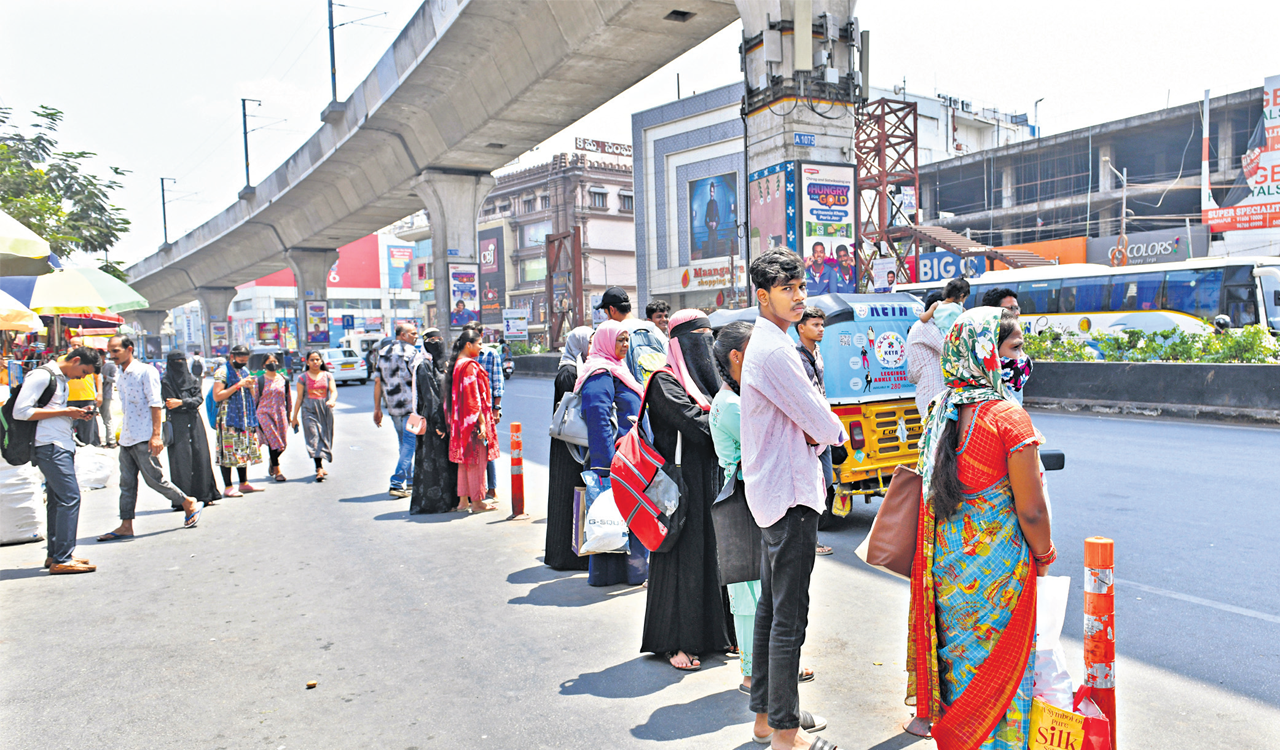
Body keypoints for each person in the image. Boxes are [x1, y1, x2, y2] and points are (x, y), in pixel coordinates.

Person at [907, 307, 1052, 747]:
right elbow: (1031, 511)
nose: (1022, 356)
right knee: (1002, 679)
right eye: (1015, 347)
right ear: (987, 351)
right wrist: (1045, 555)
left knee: (962, 675)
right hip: (1000, 582)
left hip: (949, 579)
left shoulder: (940, 414)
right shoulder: (1008, 418)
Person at [741, 250, 846, 750]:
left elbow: (811, 424)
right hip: (790, 496)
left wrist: (815, 431)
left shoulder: (769, 343)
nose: (800, 296)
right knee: (789, 617)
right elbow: (825, 423)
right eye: (788, 289)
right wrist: (825, 432)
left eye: (801, 286)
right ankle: (786, 732)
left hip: (773, 493)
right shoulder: (777, 351)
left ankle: (768, 718)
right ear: (764, 296)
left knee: (771, 612)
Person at [640, 309, 732, 672]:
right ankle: (676, 641)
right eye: (700, 338)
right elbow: (700, 428)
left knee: (714, 557)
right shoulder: (664, 382)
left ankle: (715, 635)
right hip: (679, 491)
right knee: (683, 561)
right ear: (682, 344)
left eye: (711, 338)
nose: (706, 346)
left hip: (709, 483)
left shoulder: (713, 386)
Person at [96, 336, 201, 541]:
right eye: (110, 351)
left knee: (155, 480)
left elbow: (155, 403)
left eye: (116, 351)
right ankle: (126, 525)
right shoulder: (120, 374)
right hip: (127, 436)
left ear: (129, 349)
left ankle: (187, 502)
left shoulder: (146, 371)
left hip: (145, 435)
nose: (112, 355)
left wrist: (155, 436)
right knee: (126, 483)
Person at [709, 322, 764, 693]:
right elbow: (764, 442)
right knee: (747, 591)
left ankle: (761, 667)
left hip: (745, 496)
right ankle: (751, 673)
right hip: (742, 497)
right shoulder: (729, 404)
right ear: (736, 356)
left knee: (755, 588)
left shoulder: (730, 399)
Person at [574, 320, 649, 587]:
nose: (625, 345)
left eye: (627, 340)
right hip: (616, 461)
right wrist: (605, 467)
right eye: (620, 340)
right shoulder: (600, 372)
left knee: (624, 517)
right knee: (612, 515)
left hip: (629, 457)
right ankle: (618, 575)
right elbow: (596, 414)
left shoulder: (617, 369)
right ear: (606, 342)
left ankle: (633, 573)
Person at [14, 347, 99, 574]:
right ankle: (63, 558)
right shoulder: (42, 375)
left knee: (57, 499)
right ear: (76, 360)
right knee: (70, 498)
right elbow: (20, 411)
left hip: (60, 443)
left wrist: (74, 413)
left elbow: (52, 410)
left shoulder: (61, 379)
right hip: (49, 446)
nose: (81, 377)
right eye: (82, 371)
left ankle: (55, 555)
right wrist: (64, 412)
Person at [544, 326, 593, 571]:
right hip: (570, 444)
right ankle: (566, 555)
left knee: (569, 495)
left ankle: (565, 552)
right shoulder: (569, 372)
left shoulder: (572, 367)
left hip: (568, 441)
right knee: (569, 494)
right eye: (589, 341)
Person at [794, 306, 835, 558]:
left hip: (821, 425)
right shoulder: (794, 356)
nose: (820, 330)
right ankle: (810, 540)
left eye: (822, 325)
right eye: (815, 325)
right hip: (806, 430)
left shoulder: (817, 353)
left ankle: (810, 537)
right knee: (810, 485)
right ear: (801, 327)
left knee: (826, 481)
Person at [445, 328, 499, 513]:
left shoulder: (456, 364)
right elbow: (473, 397)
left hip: (459, 420)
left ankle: (463, 502)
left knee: (465, 462)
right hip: (472, 420)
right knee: (477, 460)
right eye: (479, 344)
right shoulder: (469, 365)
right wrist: (481, 423)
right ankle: (477, 502)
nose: (481, 348)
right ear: (469, 345)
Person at [161, 350, 220, 508]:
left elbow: (198, 399)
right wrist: (186, 403)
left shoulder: (193, 379)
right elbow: (169, 402)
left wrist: (181, 402)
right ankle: (182, 500)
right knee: (181, 460)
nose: (179, 364)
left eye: (182, 360)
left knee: (200, 456)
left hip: (194, 422)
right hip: (177, 424)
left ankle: (205, 495)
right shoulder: (166, 381)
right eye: (176, 361)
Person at [409, 329, 456, 514]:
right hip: (433, 421)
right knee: (434, 461)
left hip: (445, 419)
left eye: (440, 339)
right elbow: (430, 396)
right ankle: (435, 503)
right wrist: (438, 423)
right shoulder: (423, 365)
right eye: (432, 340)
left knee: (446, 461)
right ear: (425, 342)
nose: (437, 342)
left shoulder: (441, 364)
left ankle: (450, 501)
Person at [374, 323, 422, 499]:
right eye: (413, 333)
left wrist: (377, 408)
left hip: (393, 407)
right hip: (412, 407)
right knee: (411, 443)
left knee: (404, 444)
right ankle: (397, 481)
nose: (416, 336)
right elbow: (418, 379)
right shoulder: (411, 352)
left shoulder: (382, 352)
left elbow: (378, 382)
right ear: (402, 335)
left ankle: (410, 481)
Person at [212, 344, 263, 497]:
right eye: (240, 360)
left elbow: (250, 393)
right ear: (232, 357)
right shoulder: (222, 372)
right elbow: (217, 395)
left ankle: (243, 483)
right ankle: (228, 486)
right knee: (227, 451)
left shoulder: (244, 371)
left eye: (245, 360)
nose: (243, 363)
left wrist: (251, 387)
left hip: (244, 417)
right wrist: (238, 385)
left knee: (243, 449)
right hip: (229, 418)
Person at [463, 323, 504, 505]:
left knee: (487, 446)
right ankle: (472, 491)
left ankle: (492, 488)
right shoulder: (463, 355)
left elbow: (498, 382)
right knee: (470, 450)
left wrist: (497, 408)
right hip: (467, 409)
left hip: (485, 409)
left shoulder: (490, 354)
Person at [291, 350, 336, 482]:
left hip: (325, 410)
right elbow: (299, 398)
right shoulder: (302, 378)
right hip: (308, 411)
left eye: (317, 359)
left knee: (325, 436)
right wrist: (294, 417)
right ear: (308, 362)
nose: (315, 362)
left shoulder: (328, 376)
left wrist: (332, 400)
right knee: (313, 436)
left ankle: (320, 465)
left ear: (321, 361)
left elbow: (333, 391)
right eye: (312, 359)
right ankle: (318, 468)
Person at [907, 291, 947, 418]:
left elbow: (911, 376)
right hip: (934, 394)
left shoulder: (923, 326)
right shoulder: (925, 326)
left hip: (930, 393)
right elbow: (949, 349)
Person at [255, 352, 292, 482]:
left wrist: (290, 416)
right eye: (270, 362)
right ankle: (277, 470)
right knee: (274, 442)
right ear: (264, 365)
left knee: (282, 444)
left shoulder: (284, 380)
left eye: (275, 362)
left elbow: (288, 399)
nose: (273, 364)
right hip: (264, 414)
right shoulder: (259, 380)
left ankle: (273, 460)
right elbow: (254, 400)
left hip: (280, 414)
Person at [62, 356, 101, 446]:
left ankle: (89, 444)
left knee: (88, 426)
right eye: (84, 372)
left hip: (87, 396)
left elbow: (97, 377)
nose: (83, 377)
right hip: (70, 398)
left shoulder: (89, 362)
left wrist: (99, 393)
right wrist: (64, 412)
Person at [99, 352, 117, 447]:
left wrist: (106, 377)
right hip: (95, 396)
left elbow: (115, 379)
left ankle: (111, 440)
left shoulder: (110, 366)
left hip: (106, 395)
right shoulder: (93, 367)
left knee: (107, 418)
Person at [703, 182, 722, 257]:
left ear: (714, 192)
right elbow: (705, 220)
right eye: (711, 191)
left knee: (715, 250)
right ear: (709, 192)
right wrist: (709, 224)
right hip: (710, 232)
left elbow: (719, 219)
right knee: (710, 249)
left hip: (715, 232)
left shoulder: (716, 203)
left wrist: (715, 224)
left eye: (713, 191)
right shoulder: (708, 204)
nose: (712, 193)